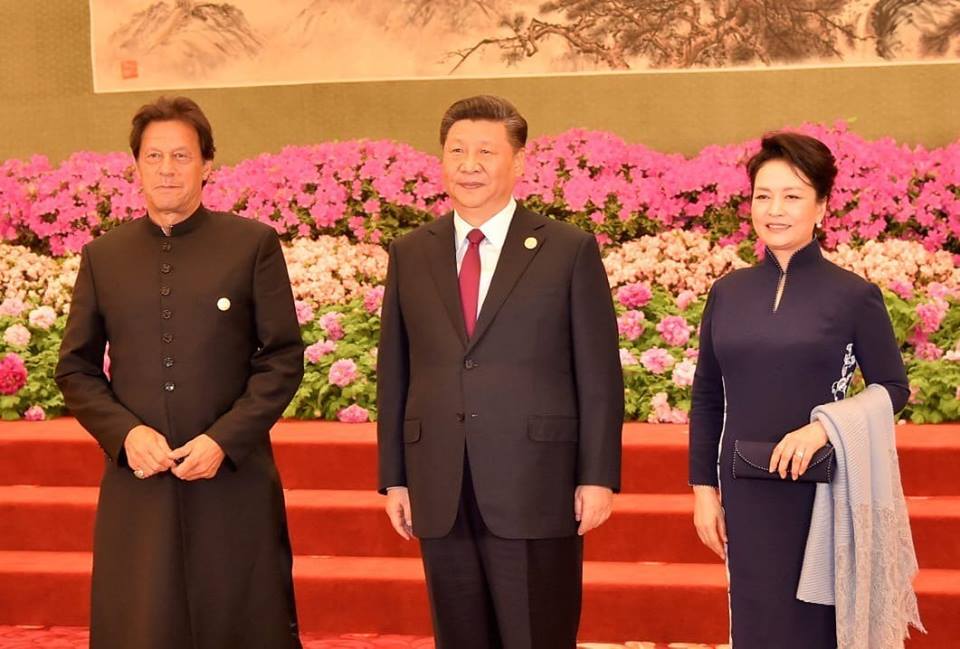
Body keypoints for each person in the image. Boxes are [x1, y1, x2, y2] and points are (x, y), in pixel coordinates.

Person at [55, 96, 304, 649]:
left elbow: (283, 358)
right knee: (143, 623)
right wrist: (125, 435)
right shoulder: (105, 256)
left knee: (241, 619)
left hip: (231, 476)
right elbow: (75, 368)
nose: (167, 169)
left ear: (207, 164)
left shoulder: (252, 245)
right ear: (136, 165)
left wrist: (224, 439)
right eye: (154, 156)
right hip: (137, 479)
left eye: (182, 156)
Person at [376, 95, 624, 649]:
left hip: (538, 482)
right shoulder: (411, 252)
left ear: (519, 161)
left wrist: (598, 474)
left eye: (486, 151)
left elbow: (599, 374)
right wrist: (395, 474)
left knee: (537, 633)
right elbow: (395, 372)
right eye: (457, 150)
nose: (469, 164)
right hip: (440, 481)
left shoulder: (567, 250)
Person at [688, 132, 910, 648]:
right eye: (763, 195)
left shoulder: (854, 295)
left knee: (815, 625)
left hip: (823, 491)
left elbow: (893, 387)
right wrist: (703, 491)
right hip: (744, 489)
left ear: (822, 206)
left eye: (792, 195)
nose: (775, 209)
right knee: (756, 618)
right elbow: (707, 395)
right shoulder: (728, 292)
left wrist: (823, 428)